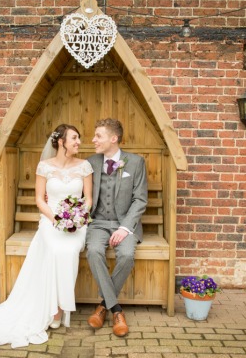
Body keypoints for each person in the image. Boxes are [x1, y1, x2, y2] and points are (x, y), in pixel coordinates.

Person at [0, 124, 93, 348]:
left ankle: (59, 308)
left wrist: (78, 217)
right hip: (51, 221)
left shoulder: (84, 166)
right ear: (61, 142)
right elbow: (40, 200)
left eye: (79, 138)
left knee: (68, 251)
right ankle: (51, 309)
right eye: (74, 138)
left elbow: (88, 199)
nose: (79, 142)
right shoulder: (44, 166)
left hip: (77, 224)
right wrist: (57, 220)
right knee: (55, 249)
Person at [85, 118, 148, 337]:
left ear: (114, 138)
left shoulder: (136, 162)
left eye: (98, 136)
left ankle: (103, 306)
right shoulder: (90, 162)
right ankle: (116, 309)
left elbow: (140, 200)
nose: (93, 140)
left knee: (127, 255)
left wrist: (125, 228)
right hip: (98, 223)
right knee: (93, 251)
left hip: (125, 224)